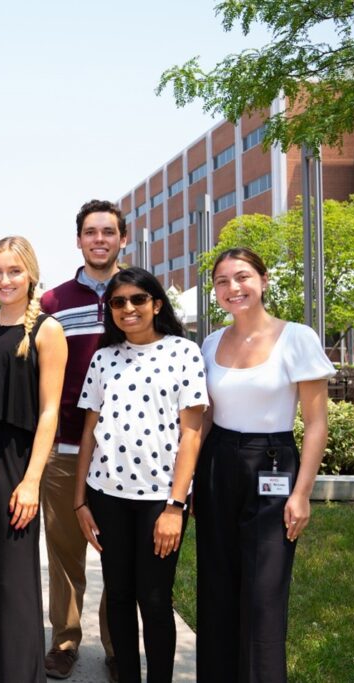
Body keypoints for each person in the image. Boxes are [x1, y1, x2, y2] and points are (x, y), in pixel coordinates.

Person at [196, 248, 333, 683]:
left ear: (263, 280)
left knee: (263, 595)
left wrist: (302, 493)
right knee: (217, 588)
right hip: (217, 462)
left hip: (271, 464)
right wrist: (195, 480)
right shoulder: (211, 342)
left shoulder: (297, 337)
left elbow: (315, 423)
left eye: (242, 277)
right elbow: (202, 417)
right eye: (222, 281)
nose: (233, 288)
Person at [73, 266, 207, 683]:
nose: (128, 308)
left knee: (153, 599)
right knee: (118, 597)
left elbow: (192, 433)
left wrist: (175, 505)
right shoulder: (103, 358)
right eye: (118, 302)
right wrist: (80, 501)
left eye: (137, 300)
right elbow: (89, 433)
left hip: (159, 500)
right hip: (106, 496)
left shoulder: (184, 352)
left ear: (156, 304)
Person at [0, 237, 66, 682]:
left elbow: (49, 411)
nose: (5, 280)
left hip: (17, 461)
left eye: (14, 271)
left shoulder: (46, 330)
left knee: (14, 578)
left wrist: (31, 480)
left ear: (30, 275)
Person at [38, 199, 123, 679]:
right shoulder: (53, 302)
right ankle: (65, 640)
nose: (99, 239)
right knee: (65, 553)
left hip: (123, 456)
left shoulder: (138, 293)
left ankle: (116, 645)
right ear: (78, 240)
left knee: (119, 556)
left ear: (122, 239)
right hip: (67, 448)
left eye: (108, 231)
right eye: (91, 232)